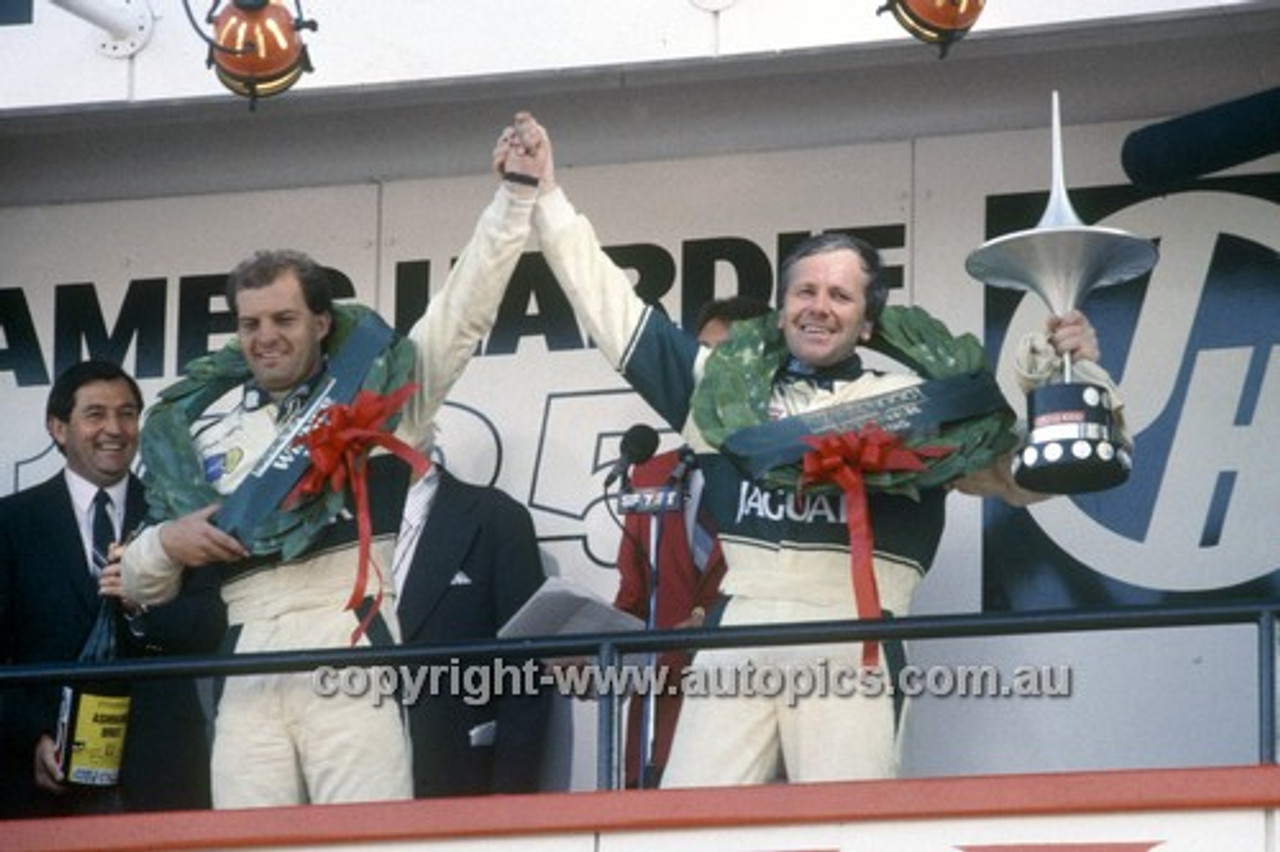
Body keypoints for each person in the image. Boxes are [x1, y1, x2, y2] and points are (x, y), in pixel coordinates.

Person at [518, 114, 1122, 787]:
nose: (818, 307)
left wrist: (1068, 381)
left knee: (848, 830)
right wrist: (547, 202)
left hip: (854, 636)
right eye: (804, 291)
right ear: (780, 311)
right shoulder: (717, 388)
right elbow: (614, 312)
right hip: (738, 631)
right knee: (688, 830)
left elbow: (1023, 477)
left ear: (868, 321)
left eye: (840, 295)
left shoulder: (921, 405)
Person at [118, 114, 554, 808]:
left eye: (283, 320)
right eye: (250, 322)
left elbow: (461, 314)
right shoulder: (201, 426)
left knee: (364, 839)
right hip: (248, 660)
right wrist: (167, 543)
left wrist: (515, 200)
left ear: (322, 322)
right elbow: (137, 585)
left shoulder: (377, 393)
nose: (265, 337)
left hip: (350, 643)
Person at [0, 360, 225, 818]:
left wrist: (141, 605)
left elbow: (209, 627)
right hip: (46, 778)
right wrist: (36, 738)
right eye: (95, 414)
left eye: (126, 414)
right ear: (58, 427)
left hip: (162, 770)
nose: (114, 429)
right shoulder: (10, 522)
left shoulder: (179, 514)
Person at [612, 295, 770, 788]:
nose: (707, 372)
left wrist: (709, 621)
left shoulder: (792, 472)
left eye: (725, 357)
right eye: (700, 353)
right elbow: (634, 599)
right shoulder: (653, 474)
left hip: (755, 711)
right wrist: (595, 641)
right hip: (660, 722)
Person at [393, 463, 550, 797]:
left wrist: (510, 807)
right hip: (343, 787)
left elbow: (524, 671)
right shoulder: (320, 532)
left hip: (457, 780)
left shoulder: (496, 517)